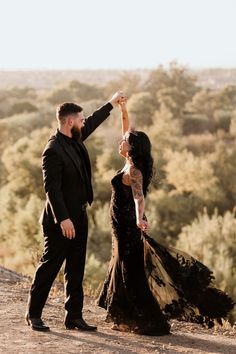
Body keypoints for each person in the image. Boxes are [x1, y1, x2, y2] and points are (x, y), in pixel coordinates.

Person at [97, 100, 234, 336]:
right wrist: (123, 110)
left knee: (131, 271)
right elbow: (126, 130)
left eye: (125, 141)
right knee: (120, 266)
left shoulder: (133, 171)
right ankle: (125, 316)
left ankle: (151, 321)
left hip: (129, 225)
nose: (121, 142)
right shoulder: (129, 162)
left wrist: (139, 219)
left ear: (131, 148)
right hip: (119, 224)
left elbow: (139, 198)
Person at [26, 91, 126, 332]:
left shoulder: (76, 138)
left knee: (76, 269)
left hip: (80, 215)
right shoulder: (52, 150)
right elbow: (52, 189)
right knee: (50, 267)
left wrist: (111, 104)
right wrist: (64, 219)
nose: (83, 122)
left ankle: (73, 317)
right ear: (70, 121)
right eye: (80, 119)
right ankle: (33, 314)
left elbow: (92, 121)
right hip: (61, 221)